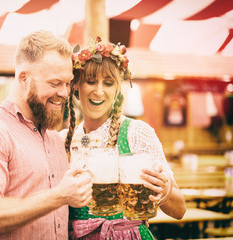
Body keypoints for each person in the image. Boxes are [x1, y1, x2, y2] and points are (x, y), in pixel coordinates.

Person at [0, 30, 93, 240]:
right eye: (55, 83)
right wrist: (59, 196)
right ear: (24, 78)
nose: (65, 93)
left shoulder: (54, 139)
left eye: (67, 83)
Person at [62, 37, 186, 239]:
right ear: (76, 85)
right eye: (91, 81)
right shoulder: (61, 141)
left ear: (117, 90)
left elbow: (179, 210)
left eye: (108, 83)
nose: (99, 91)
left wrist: (164, 191)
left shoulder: (136, 133)